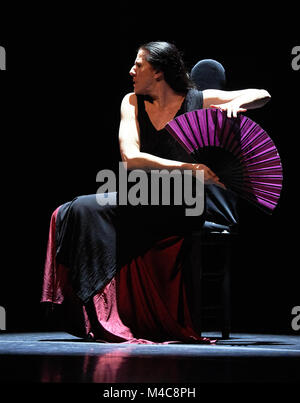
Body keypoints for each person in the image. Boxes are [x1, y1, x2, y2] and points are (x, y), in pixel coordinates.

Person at [42, 41, 271, 343]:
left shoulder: (198, 100)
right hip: (144, 197)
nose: (131, 71)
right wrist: (191, 169)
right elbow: (130, 158)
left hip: (182, 206)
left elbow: (263, 95)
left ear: (159, 72)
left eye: (139, 65)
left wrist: (233, 103)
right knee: (73, 211)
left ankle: (127, 310)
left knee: (87, 210)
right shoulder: (132, 102)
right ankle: (99, 310)